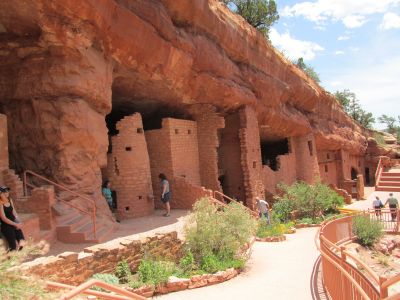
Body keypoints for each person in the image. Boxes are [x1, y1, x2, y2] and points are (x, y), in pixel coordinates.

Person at [0, 186, 25, 251]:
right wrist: (15, 224)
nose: (7, 192)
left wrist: (18, 221)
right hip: (6, 225)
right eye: (5, 191)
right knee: (13, 246)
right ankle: (11, 259)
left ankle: (19, 256)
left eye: (7, 191)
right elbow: (3, 218)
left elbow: (14, 212)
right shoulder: (0, 203)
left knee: (22, 241)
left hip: (14, 223)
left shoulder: (9, 200)